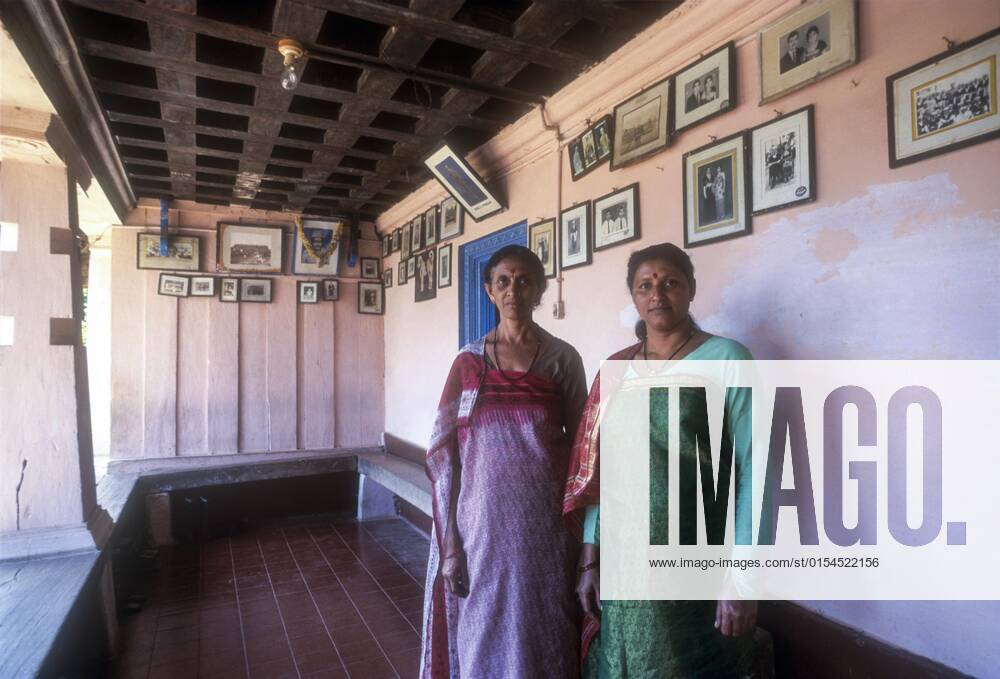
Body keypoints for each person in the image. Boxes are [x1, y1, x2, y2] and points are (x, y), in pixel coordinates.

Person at [563, 242, 758, 678]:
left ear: (690, 289)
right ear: (633, 296)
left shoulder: (728, 358)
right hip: (622, 564)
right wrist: (590, 556)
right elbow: (601, 473)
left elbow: (752, 471)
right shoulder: (615, 370)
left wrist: (743, 579)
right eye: (645, 285)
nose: (658, 294)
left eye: (670, 282)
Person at [420, 245, 587, 679]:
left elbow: (585, 451)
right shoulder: (468, 363)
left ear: (539, 290)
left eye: (524, 281)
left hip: (546, 529)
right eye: (503, 281)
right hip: (482, 528)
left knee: (548, 624)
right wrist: (451, 547)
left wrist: (586, 536)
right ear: (489, 291)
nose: (514, 289)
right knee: (482, 627)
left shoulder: (562, 359)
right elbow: (444, 453)